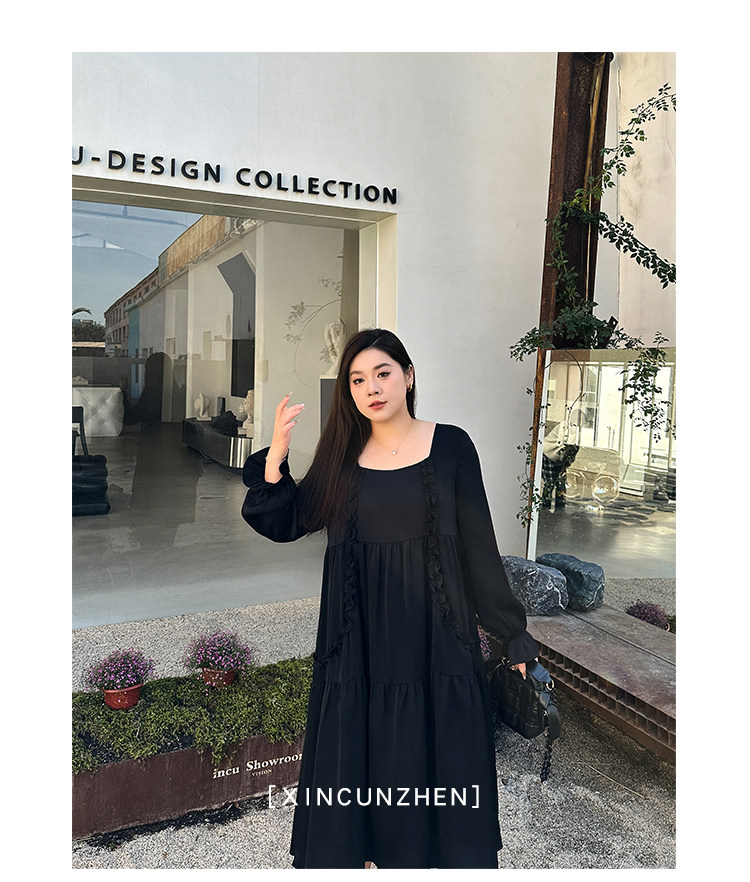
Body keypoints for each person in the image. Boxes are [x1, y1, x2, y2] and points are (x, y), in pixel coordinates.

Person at [241, 328, 539, 869]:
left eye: (382, 373)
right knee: (362, 762)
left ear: (408, 375)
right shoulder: (341, 457)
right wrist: (276, 454)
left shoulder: (451, 446)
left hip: (436, 637)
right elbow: (287, 520)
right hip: (359, 643)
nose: (372, 388)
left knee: (442, 762)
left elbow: (479, 546)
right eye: (358, 380)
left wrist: (512, 634)